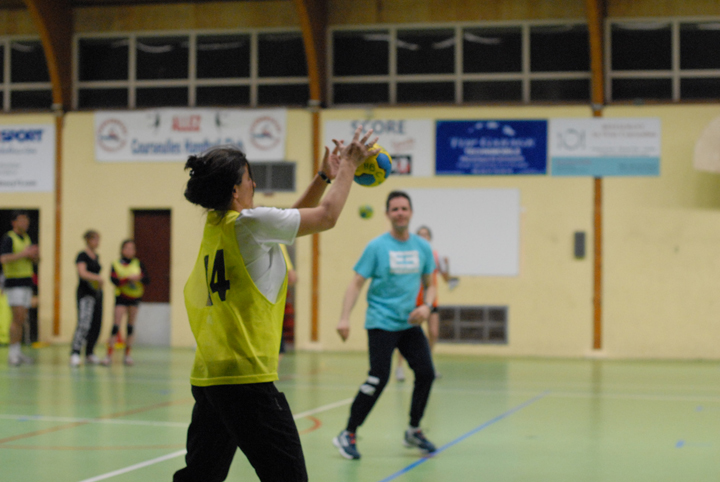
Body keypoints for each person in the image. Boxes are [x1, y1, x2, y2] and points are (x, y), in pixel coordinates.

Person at [173, 126, 379, 482]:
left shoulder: (219, 224)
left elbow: (286, 222)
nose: (254, 184)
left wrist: (323, 178)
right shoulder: (250, 224)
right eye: (249, 178)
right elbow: (326, 217)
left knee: (201, 476)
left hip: (210, 376)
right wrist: (349, 164)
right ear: (235, 190)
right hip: (246, 381)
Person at [333, 191, 437, 460]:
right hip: (381, 322)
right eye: (395, 209)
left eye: (404, 208)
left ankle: (413, 429)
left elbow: (430, 285)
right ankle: (348, 433)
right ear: (388, 214)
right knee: (378, 378)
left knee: (426, 373)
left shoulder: (422, 247)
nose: (400, 213)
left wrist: (427, 306)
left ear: (411, 212)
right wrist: (344, 317)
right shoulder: (376, 247)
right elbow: (356, 283)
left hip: (409, 322)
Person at [395, 225, 457, 381]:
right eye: (420, 234)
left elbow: (446, 279)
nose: (423, 237)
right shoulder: (410, 255)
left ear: (430, 238)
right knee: (406, 336)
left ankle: (428, 365)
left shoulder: (436, 256)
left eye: (426, 234)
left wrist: (447, 266)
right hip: (413, 301)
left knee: (433, 333)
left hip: (431, 302)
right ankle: (399, 368)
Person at [101, 239, 149, 366]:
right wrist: (127, 279)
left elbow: (147, 279)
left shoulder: (138, 264)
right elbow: (114, 280)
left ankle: (127, 355)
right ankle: (108, 354)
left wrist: (139, 278)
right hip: (121, 297)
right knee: (115, 326)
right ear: (122, 250)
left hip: (135, 298)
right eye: (127, 248)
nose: (129, 251)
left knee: (130, 326)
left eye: (132, 248)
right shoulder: (116, 264)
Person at [0, 210, 39, 366]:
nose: (25, 223)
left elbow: (32, 260)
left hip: (26, 282)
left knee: (22, 318)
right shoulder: (9, 238)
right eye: (22, 220)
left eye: (26, 220)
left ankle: (17, 352)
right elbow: (4, 258)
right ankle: (12, 354)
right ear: (14, 222)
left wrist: (34, 256)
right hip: (14, 283)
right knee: (17, 317)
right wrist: (24, 254)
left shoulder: (27, 238)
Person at [70, 230, 104, 367]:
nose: (97, 242)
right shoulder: (82, 255)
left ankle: (90, 352)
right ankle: (75, 352)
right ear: (88, 240)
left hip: (97, 293)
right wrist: (97, 278)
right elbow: (82, 273)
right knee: (84, 323)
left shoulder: (96, 256)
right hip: (85, 294)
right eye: (95, 239)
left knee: (96, 323)